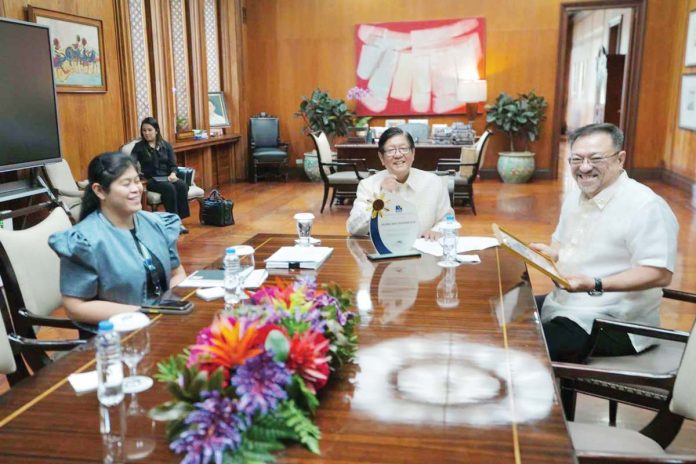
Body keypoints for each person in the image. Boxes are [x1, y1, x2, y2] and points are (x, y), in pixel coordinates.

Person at [530, 123, 678, 362]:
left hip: (615, 322)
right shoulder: (575, 196)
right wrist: (551, 254)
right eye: (577, 159)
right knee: (506, 316)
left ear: (620, 159)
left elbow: (659, 273)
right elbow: (560, 243)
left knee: (525, 346)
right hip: (564, 304)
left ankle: (546, 397)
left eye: (595, 158)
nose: (585, 167)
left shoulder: (646, 206)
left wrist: (596, 284)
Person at [48, 152, 187, 324]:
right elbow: (75, 307)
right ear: (99, 191)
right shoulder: (84, 239)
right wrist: (145, 313)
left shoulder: (156, 222)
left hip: (161, 323)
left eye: (137, 181)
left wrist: (168, 307)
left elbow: (178, 273)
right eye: (126, 184)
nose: (136, 189)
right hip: (113, 337)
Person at [346, 126, 452, 240]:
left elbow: (447, 220)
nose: (398, 155)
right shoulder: (367, 185)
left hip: (424, 249)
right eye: (391, 150)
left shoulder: (434, 182)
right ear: (381, 157)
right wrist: (381, 198)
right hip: (383, 253)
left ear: (413, 153)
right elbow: (354, 229)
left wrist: (437, 231)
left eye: (403, 148)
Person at [130, 117, 190, 233]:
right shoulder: (139, 147)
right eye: (144, 130)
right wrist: (135, 176)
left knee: (182, 185)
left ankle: (179, 219)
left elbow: (173, 165)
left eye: (149, 130)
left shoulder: (166, 145)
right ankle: (175, 223)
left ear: (156, 130)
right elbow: (130, 163)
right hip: (151, 179)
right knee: (169, 188)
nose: (146, 133)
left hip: (167, 177)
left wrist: (173, 174)